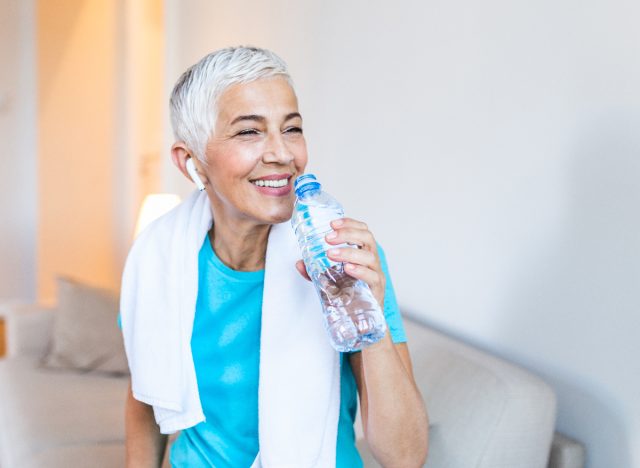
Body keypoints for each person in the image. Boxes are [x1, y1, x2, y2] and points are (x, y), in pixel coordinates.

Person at [123, 46, 428, 468]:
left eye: (292, 128)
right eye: (249, 132)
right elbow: (145, 396)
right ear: (192, 161)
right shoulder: (156, 261)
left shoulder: (344, 260)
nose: (283, 154)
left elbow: (406, 457)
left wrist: (368, 317)